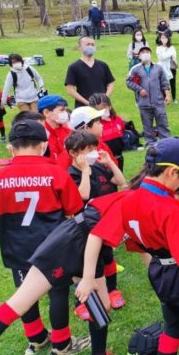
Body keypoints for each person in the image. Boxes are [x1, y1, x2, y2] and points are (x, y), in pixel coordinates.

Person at [79, 138, 179, 355]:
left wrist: (87, 277)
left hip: (160, 273)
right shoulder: (172, 208)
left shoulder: (128, 197)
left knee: (172, 328)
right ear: (172, 172)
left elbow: (98, 233)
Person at [0, 190, 133, 355]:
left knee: (102, 306)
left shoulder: (149, 203)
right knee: (19, 304)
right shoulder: (136, 199)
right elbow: (94, 230)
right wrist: (87, 278)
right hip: (71, 241)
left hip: (91, 247)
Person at [0, 120, 90, 355]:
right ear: (43, 146)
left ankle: (36, 338)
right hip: (51, 246)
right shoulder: (56, 172)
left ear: (11, 147)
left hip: (16, 246)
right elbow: (74, 207)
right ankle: (61, 345)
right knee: (57, 292)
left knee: (24, 291)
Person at [64, 130, 126, 311]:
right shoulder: (70, 174)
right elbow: (82, 195)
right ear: (73, 153)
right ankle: (83, 299)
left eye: (94, 148)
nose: (93, 152)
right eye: (88, 149)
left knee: (108, 257)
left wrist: (110, 163)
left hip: (105, 223)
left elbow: (120, 181)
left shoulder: (99, 167)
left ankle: (112, 290)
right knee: (86, 262)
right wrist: (85, 171)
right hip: (84, 228)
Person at [126, 45, 172, 147]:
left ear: (151, 54)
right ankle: (151, 144)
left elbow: (164, 83)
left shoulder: (159, 68)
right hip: (143, 103)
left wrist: (167, 95)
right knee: (147, 125)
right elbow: (128, 82)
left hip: (158, 101)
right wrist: (139, 89)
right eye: (143, 52)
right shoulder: (135, 69)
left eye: (147, 52)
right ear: (139, 56)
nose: (145, 54)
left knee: (163, 123)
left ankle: (166, 142)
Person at [65, 37, 116, 108]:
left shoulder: (103, 65)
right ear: (80, 47)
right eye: (88, 44)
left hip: (103, 106)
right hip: (83, 107)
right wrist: (88, 103)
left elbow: (110, 83)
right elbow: (70, 89)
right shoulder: (74, 67)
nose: (90, 47)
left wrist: (105, 98)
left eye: (92, 45)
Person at [89, 94, 126, 170]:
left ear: (109, 106)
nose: (103, 111)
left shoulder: (117, 119)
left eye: (104, 107)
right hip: (104, 159)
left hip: (119, 156)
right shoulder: (95, 125)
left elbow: (122, 132)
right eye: (99, 110)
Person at [38, 95, 72, 165]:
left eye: (66, 110)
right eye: (62, 110)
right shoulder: (40, 136)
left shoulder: (69, 132)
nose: (65, 113)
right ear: (46, 113)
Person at [156, 30, 179, 103]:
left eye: (165, 38)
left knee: (173, 82)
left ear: (168, 38)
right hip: (161, 67)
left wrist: (166, 55)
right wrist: (168, 54)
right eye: (162, 38)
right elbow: (161, 57)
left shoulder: (172, 47)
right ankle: (164, 97)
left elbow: (174, 57)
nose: (163, 39)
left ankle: (174, 98)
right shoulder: (158, 48)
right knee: (163, 83)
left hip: (171, 66)